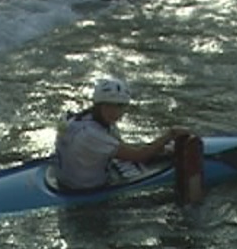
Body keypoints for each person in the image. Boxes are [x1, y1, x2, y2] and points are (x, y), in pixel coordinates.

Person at [53, 76, 192, 190]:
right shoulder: (92, 135)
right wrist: (170, 134)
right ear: (99, 105)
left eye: (120, 106)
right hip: (82, 188)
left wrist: (160, 150)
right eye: (109, 106)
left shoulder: (73, 118)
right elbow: (139, 156)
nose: (116, 113)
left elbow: (123, 148)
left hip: (65, 178)